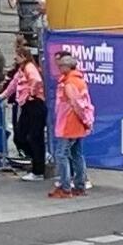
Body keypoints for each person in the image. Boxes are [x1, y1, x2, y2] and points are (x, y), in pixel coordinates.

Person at [50, 46, 93, 197]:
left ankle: (65, 187)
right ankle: (80, 186)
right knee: (77, 154)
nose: (59, 68)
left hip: (69, 124)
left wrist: (84, 120)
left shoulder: (69, 84)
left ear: (67, 67)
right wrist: (87, 121)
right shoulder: (79, 81)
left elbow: (76, 105)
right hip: (77, 124)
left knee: (61, 154)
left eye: (61, 65)